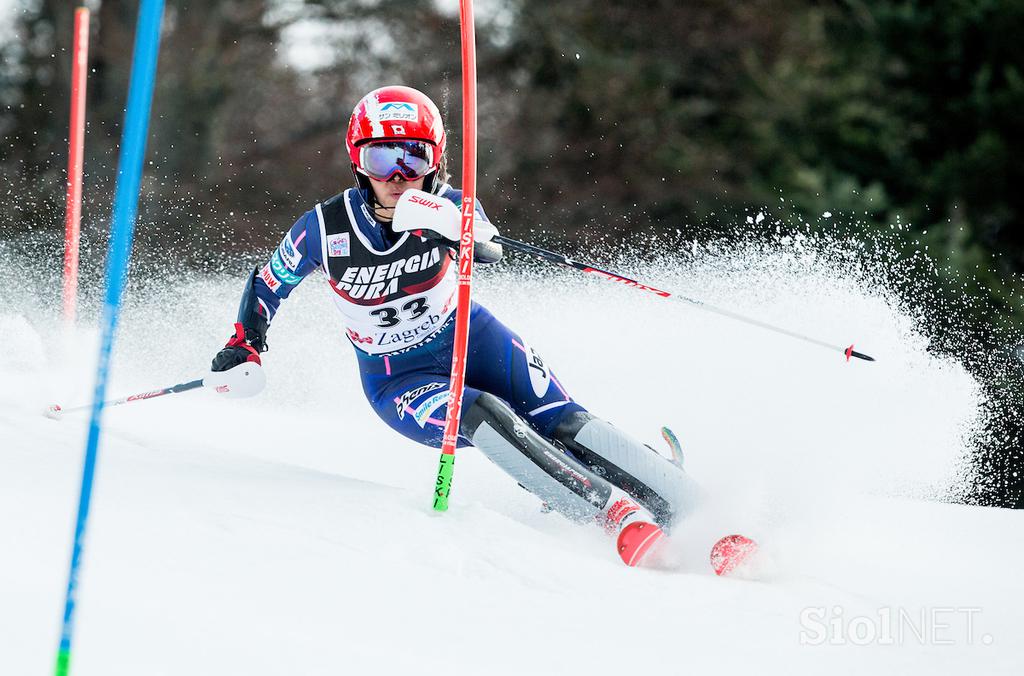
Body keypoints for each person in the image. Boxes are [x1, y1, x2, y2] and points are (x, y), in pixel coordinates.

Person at [210, 85, 697, 566]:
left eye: (413, 159)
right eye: (382, 160)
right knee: (481, 412)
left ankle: (684, 500)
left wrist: (454, 230)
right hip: (398, 377)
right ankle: (609, 514)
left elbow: (489, 247)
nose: (399, 177)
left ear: (436, 161)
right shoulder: (323, 227)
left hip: (474, 337)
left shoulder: (450, 204)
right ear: (358, 163)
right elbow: (267, 283)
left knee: (562, 420)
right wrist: (245, 343)